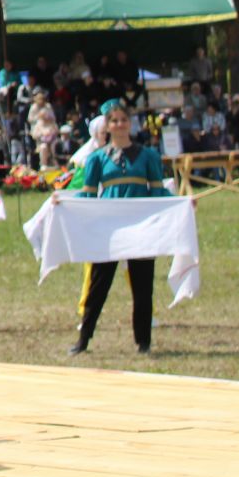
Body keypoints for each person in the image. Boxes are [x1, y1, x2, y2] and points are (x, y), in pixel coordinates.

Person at [68, 99, 166, 355]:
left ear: (130, 123)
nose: (119, 124)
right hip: (108, 229)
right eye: (114, 121)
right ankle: (83, 339)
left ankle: (143, 342)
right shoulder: (98, 159)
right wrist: (64, 204)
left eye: (123, 119)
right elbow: (88, 195)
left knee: (143, 286)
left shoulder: (148, 156)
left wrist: (182, 204)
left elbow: (157, 192)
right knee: (98, 285)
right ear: (107, 126)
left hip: (139, 227)